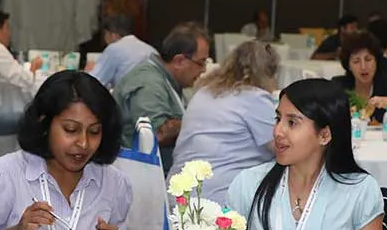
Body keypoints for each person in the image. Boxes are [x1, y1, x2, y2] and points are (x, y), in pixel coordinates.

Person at [0, 71, 132, 230]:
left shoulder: (114, 183)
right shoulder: (6, 175)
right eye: (71, 130)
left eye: (94, 131)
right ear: (44, 124)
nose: (83, 143)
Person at [228, 78, 387, 230]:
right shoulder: (248, 183)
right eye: (278, 119)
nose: (278, 131)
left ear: (324, 135)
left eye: (292, 123)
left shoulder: (359, 189)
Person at [171, 40, 278, 207]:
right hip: (218, 201)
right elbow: (284, 148)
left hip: (177, 197)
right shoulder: (255, 98)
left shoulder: (204, 92)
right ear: (268, 73)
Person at [113, 22, 210, 174]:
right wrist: (198, 122)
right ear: (179, 61)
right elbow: (157, 134)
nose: (204, 70)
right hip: (141, 174)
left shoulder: (168, 80)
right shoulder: (149, 83)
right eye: (201, 63)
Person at [331, 31, 387, 124]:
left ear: (376, 61)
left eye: (368, 59)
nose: (363, 67)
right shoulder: (339, 86)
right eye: (356, 61)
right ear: (349, 66)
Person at [84, 13, 156, 89]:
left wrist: (88, 71)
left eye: (105, 34)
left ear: (112, 34)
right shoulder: (151, 49)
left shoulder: (114, 48)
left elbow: (94, 82)